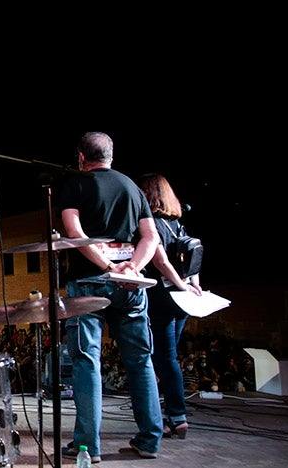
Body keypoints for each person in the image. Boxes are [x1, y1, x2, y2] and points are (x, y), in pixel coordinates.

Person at [57, 132, 163, 462]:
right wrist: (131, 267)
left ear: (81, 157)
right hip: (130, 285)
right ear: (111, 156)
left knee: (87, 361)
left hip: (88, 280)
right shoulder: (132, 187)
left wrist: (106, 264)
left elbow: (74, 232)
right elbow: (151, 237)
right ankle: (149, 441)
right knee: (140, 360)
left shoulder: (75, 183)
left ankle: (88, 446)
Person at [137, 173, 202, 440]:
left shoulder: (153, 225)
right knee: (167, 358)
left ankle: (176, 415)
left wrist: (179, 284)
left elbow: (161, 261)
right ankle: (172, 416)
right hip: (182, 300)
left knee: (163, 358)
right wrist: (192, 283)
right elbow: (193, 257)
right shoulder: (177, 225)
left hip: (164, 298)